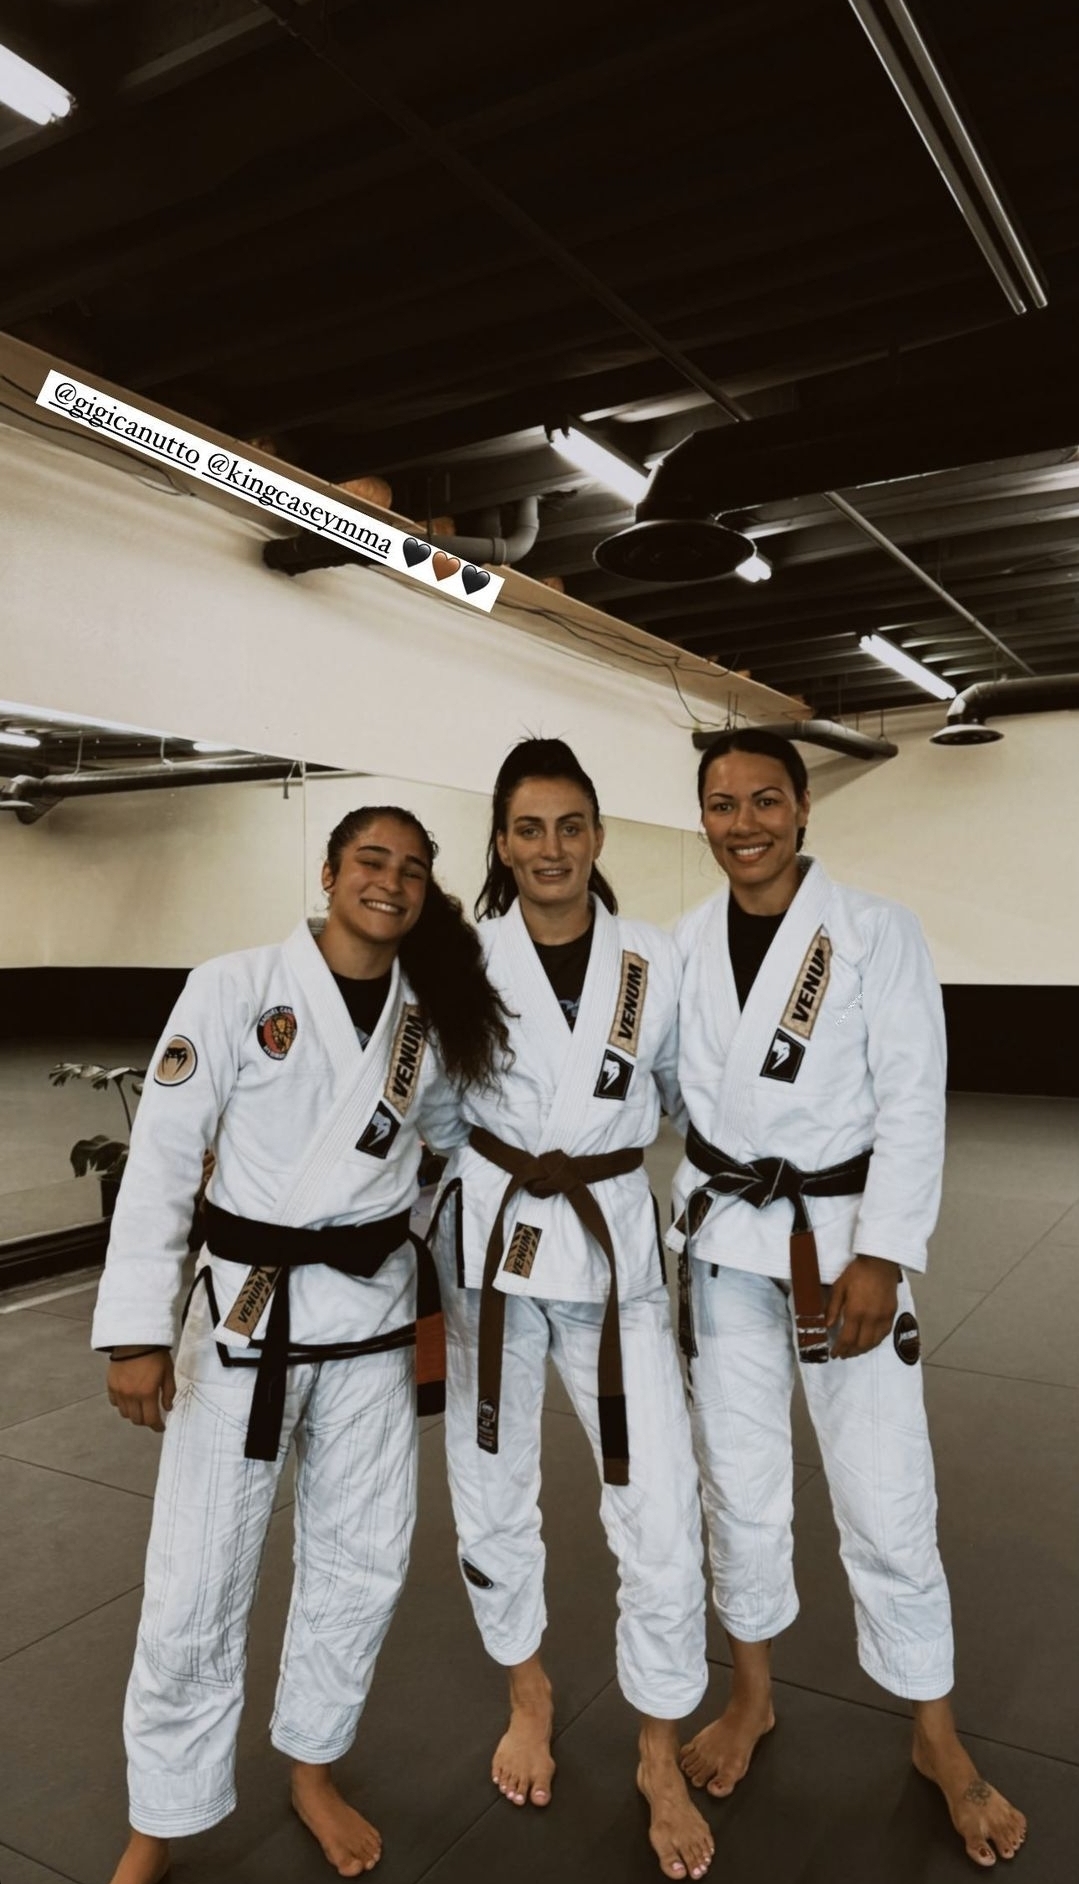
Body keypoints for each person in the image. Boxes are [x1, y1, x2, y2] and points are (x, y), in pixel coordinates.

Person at [92, 806, 508, 1884]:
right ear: (328, 871)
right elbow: (164, 1154)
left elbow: (457, 1142)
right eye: (371, 860)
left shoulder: (427, 1016)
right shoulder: (233, 987)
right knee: (196, 1574)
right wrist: (135, 1331)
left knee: (361, 1562)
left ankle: (313, 1768)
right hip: (246, 1317)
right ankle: (160, 1818)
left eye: (411, 869)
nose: (390, 882)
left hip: (370, 1322)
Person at [669, 730, 1027, 1869]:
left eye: (763, 800)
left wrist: (881, 1253)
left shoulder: (875, 932)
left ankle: (935, 1734)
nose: (743, 824)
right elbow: (664, 1098)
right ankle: (751, 1695)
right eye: (721, 804)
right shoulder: (681, 943)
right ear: (702, 817)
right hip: (725, 1248)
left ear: (802, 806)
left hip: (839, 1246)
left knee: (883, 1488)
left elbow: (913, 1099)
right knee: (738, 1484)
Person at [429, 738, 713, 1883]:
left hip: (610, 1252)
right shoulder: (460, 961)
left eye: (569, 825)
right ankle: (528, 1692)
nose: (550, 848)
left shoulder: (653, 960)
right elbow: (432, 1113)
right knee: (490, 1487)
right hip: (491, 1258)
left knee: (659, 1502)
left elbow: (693, 1101)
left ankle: (656, 1750)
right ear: (501, 844)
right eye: (527, 828)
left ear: (596, 836)